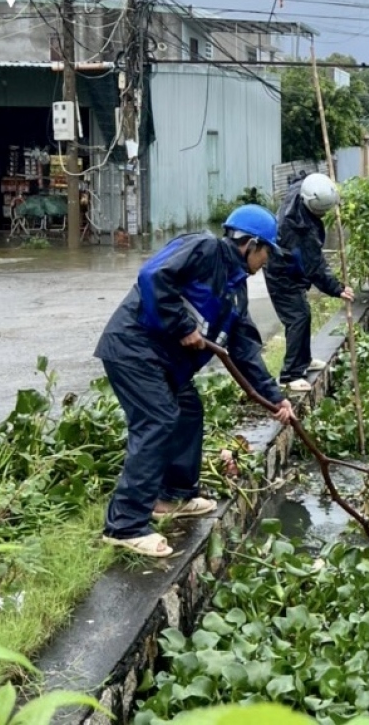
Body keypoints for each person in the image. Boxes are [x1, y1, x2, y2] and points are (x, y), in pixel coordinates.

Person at [94, 205, 295, 557]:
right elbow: (153, 276)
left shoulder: (237, 290)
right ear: (249, 244)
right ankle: (124, 525)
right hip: (133, 348)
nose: (267, 261)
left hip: (166, 363)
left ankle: (172, 496)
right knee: (158, 420)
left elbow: (244, 349)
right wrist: (183, 326)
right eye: (266, 252)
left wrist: (276, 398)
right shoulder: (202, 249)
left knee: (188, 411)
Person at [264, 171, 354, 393]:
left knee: (303, 313)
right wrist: (338, 289)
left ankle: (303, 360)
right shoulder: (297, 229)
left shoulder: (302, 189)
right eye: (320, 211)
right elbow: (315, 267)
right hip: (281, 273)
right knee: (298, 317)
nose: (323, 215)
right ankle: (290, 375)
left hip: (292, 269)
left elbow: (301, 180)